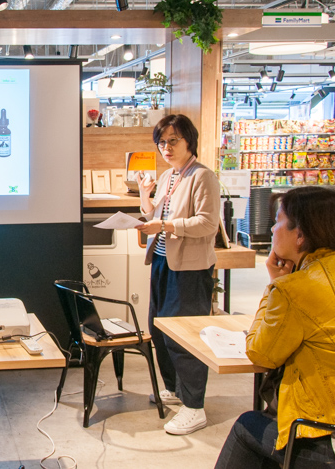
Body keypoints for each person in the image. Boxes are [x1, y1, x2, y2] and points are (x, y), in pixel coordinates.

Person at [216, 187, 335, 469]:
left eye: (278, 220)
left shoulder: (295, 289)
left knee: (247, 426)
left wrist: (275, 283)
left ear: (299, 235)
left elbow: (260, 353)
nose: (272, 228)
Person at [134, 114, 221, 435]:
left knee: (184, 337)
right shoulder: (170, 175)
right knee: (158, 329)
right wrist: (145, 195)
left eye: (173, 141)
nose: (166, 148)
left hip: (190, 268)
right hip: (162, 262)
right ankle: (174, 388)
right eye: (161, 142)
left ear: (189, 141)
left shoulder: (202, 176)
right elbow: (155, 215)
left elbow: (207, 223)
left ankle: (195, 407)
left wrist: (166, 225)